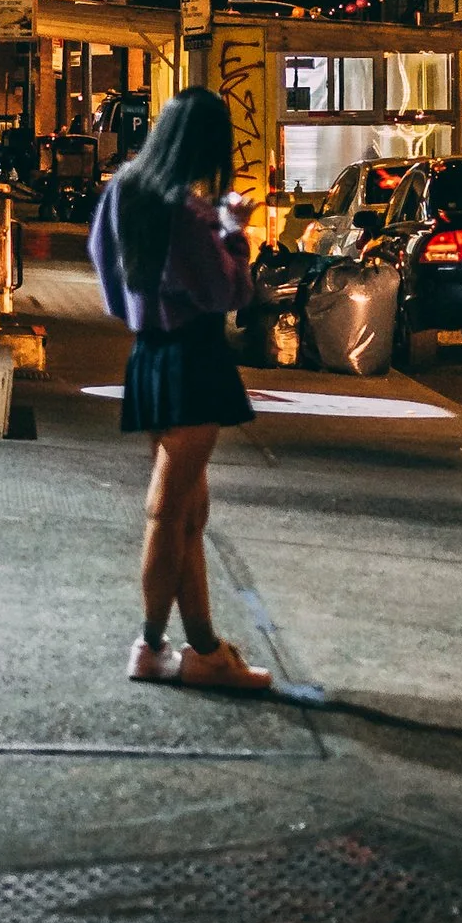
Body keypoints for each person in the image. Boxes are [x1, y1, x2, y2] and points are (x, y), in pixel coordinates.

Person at [89, 86, 271, 691]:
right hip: (194, 358)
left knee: (188, 510)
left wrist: (141, 313)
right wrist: (234, 233)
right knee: (170, 511)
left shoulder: (121, 191)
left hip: (148, 356)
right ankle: (150, 644)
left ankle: (205, 649)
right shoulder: (186, 213)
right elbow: (228, 293)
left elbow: (106, 272)